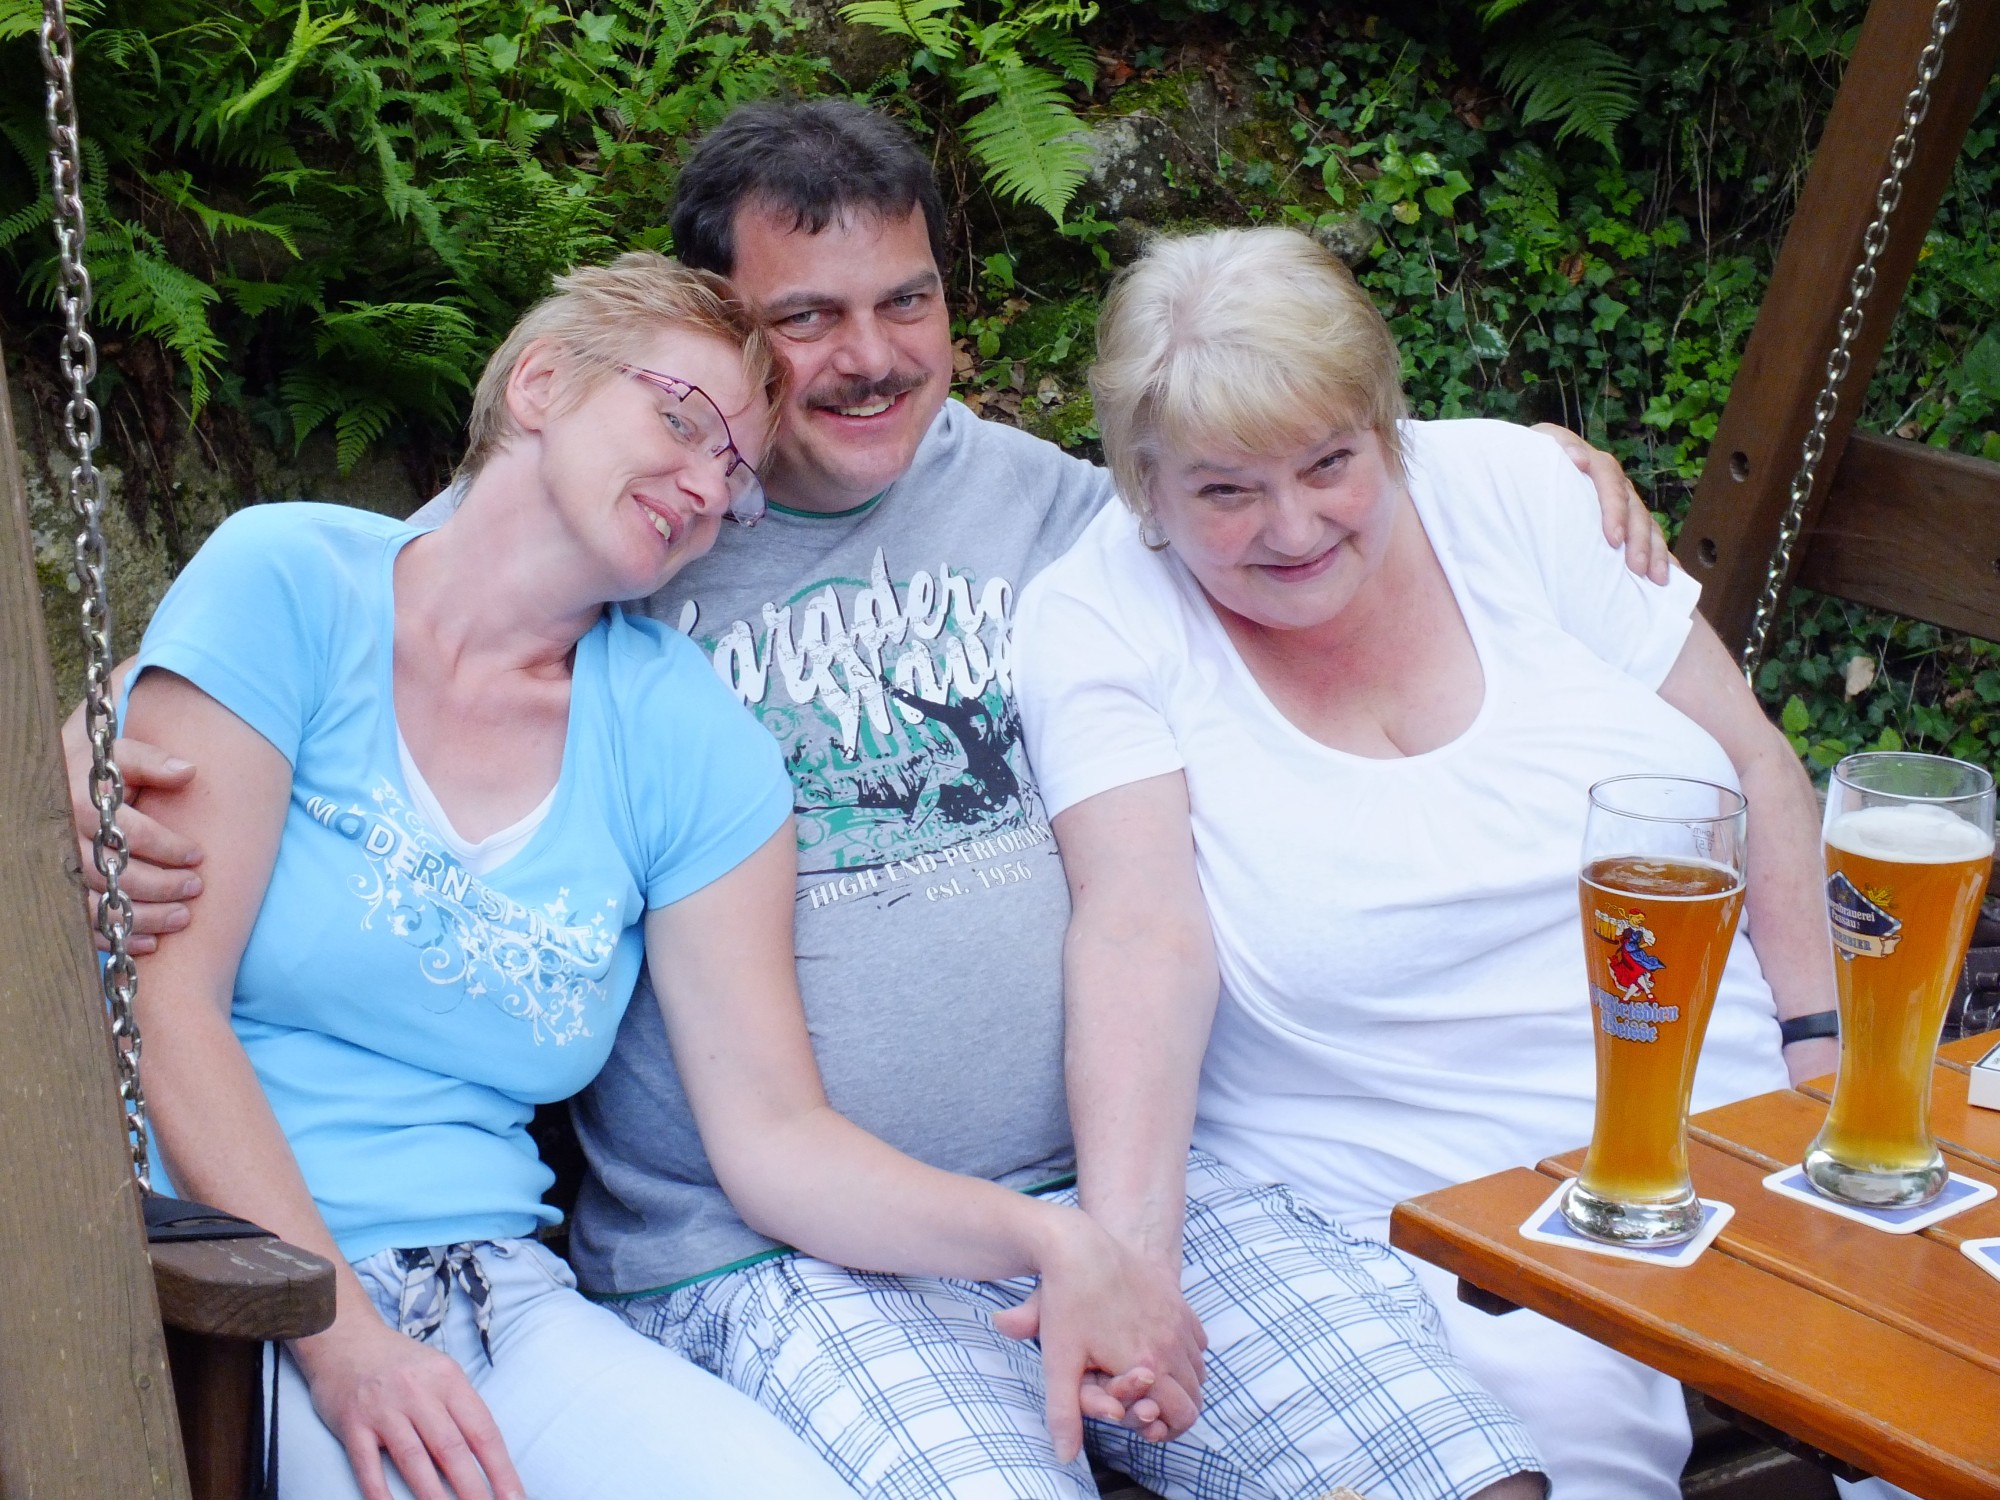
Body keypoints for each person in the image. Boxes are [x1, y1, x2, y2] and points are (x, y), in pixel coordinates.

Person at [81, 101, 1664, 1500]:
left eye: (909, 300)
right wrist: (82, 761)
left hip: (1104, 1195)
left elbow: (1271, 482)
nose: (873, 356)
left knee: (1461, 1474)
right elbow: (415, 589)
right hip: (756, 1255)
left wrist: (1509, 474)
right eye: (807, 320)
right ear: (720, 333)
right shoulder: (610, 547)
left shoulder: (1057, 518)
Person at [115, 251, 1203, 1500]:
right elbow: (166, 1006)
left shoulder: (687, 736)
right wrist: (346, 1345)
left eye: (735, 471)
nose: (703, 485)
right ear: (539, 383)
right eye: (681, 422)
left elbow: (774, 1139)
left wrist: (1046, 1236)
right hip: (220, 1274)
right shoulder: (291, 582)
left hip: (489, 1294)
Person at [1009, 226, 1843, 1500]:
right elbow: (1138, 936)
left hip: (1739, 1141)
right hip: (1440, 1223)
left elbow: (1753, 762)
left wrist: (1821, 1053)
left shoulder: (1512, 489)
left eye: (1329, 463)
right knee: (1551, 1442)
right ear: (1142, 488)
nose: (1292, 527)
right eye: (1225, 492)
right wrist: (1133, 1263)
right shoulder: (1100, 614)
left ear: (1386, 428)